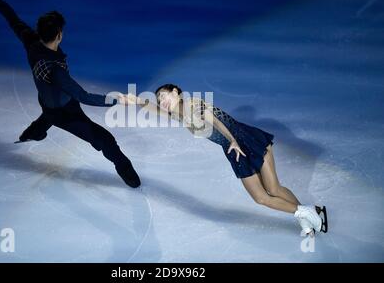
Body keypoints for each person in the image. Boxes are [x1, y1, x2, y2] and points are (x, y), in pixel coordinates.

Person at [0, 0, 140, 188]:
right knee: (105, 139)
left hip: (48, 101)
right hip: (65, 112)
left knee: (47, 114)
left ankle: (35, 132)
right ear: (59, 35)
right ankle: (126, 171)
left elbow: (13, 20)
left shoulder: (32, 42)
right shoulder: (56, 71)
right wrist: (117, 100)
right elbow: (83, 96)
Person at [126, 84, 328, 235]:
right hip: (232, 149)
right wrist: (134, 100)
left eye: (164, 96)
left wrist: (233, 140)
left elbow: (215, 120)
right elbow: (154, 109)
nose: (162, 101)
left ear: (176, 93)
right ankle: (307, 212)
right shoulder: (178, 113)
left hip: (245, 140)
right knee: (260, 197)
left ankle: (306, 216)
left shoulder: (191, 104)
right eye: (159, 99)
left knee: (274, 189)